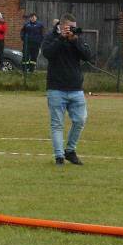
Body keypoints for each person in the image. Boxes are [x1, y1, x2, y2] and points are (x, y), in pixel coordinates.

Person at [41, 12, 93, 166]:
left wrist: (74, 41)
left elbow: (87, 56)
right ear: (62, 25)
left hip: (76, 88)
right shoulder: (51, 36)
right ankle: (59, 157)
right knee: (57, 123)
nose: (72, 30)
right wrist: (61, 38)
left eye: (74, 27)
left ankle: (70, 151)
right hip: (56, 88)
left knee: (80, 120)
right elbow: (47, 53)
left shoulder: (77, 37)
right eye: (69, 27)